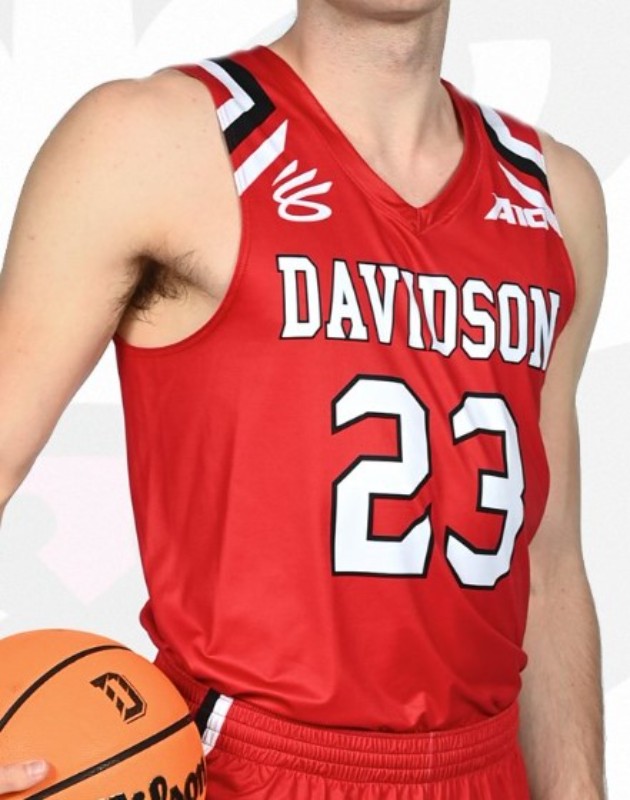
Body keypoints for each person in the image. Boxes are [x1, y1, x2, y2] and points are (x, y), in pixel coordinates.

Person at [0, 0, 607, 797]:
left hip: (487, 772)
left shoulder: (554, 195)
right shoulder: (152, 143)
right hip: (246, 766)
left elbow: (548, 555)